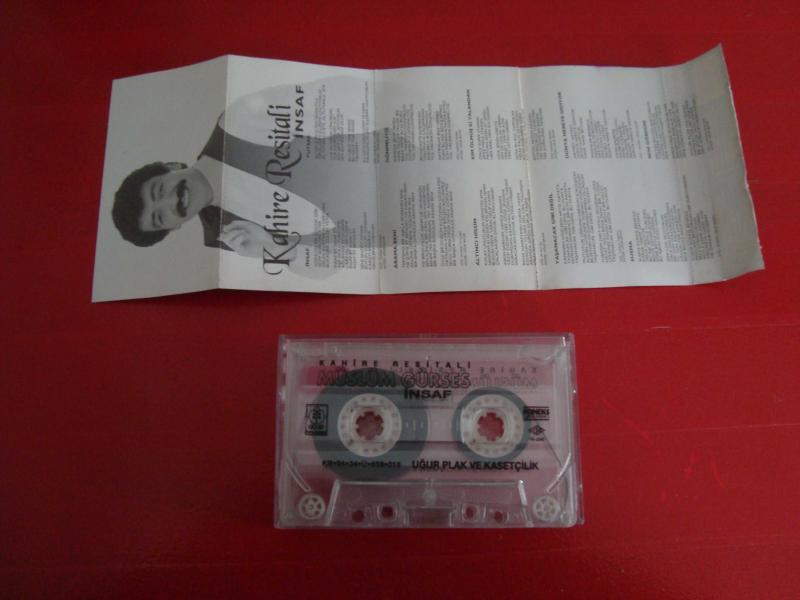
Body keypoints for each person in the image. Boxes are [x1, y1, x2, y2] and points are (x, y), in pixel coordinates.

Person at [112, 78, 375, 276]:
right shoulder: (230, 236)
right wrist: (275, 248)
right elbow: (336, 262)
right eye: (160, 217)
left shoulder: (238, 121)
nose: (172, 200)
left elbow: (345, 95)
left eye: (159, 190)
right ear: (173, 228)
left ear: (169, 166)